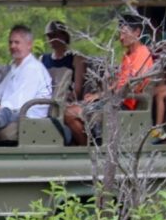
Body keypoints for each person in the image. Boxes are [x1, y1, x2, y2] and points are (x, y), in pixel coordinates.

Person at [63, 15, 153, 146]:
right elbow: (119, 82)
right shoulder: (128, 54)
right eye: (120, 33)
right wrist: (97, 95)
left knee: (70, 113)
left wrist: (102, 97)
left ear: (137, 32)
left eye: (125, 33)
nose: (121, 38)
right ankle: (91, 145)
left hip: (124, 105)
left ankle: (90, 150)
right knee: (69, 109)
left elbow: (130, 86)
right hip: (116, 100)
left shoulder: (142, 54)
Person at [0, 25, 53, 147]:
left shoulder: (33, 68)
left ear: (29, 45)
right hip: (11, 111)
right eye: (10, 42)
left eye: (17, 42)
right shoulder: (16, 67)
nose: (12, 46)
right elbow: (0, 89)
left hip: (25, 116)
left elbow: (20, 103)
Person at [40, 20, 86, 101]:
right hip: (44, 102)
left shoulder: (76, 59)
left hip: (65, 104)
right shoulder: (43, 59)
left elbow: (77, 91)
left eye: (54, 35)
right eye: (49, 36)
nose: (51, 39)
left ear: (64, 36)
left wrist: (63, 99)